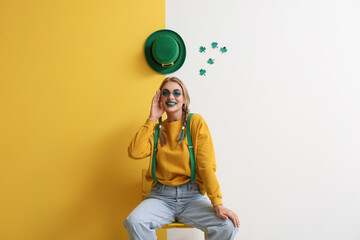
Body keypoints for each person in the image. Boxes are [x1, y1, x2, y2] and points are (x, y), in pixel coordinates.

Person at [124, 77, 239, 240]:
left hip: (191, 197)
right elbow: (135, 152)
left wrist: (217, 202)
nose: (171, 97)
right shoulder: (156, 130)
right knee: (134, 222)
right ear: (160, 99)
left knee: (227, 226)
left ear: (184, 98)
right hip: (160, 197)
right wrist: (152, 118)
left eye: (176, 93)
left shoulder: (195, 122)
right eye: (166, 93)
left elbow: (205, 166)